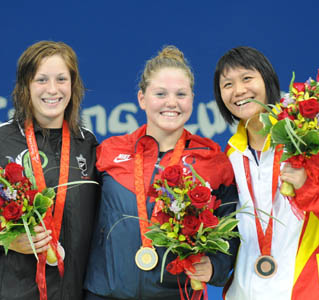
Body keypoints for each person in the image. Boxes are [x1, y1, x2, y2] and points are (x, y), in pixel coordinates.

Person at [0, 40, 99, 300]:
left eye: (61, 79)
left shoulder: (87, 144)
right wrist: (4, 240)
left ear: (73, 85)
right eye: (41, 80)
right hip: (9, 292)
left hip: (74, 291)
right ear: (25, 86)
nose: (52, 89)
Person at [213, 46, 319, 300]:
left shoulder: (309, 141)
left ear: (267, 80)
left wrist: (308, 186)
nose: (238, 90)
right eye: (227, 84)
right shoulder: (230, 156)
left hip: (304, 291)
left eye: (247, 78)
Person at [84, 45, 239, 300]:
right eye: (160, 93)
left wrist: (215, 266)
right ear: (142, 98)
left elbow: (232, 226)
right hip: (105, 294)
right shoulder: (109, 152)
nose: (171, 103)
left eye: (181, 94)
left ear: (192, 99)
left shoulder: (213, 160)